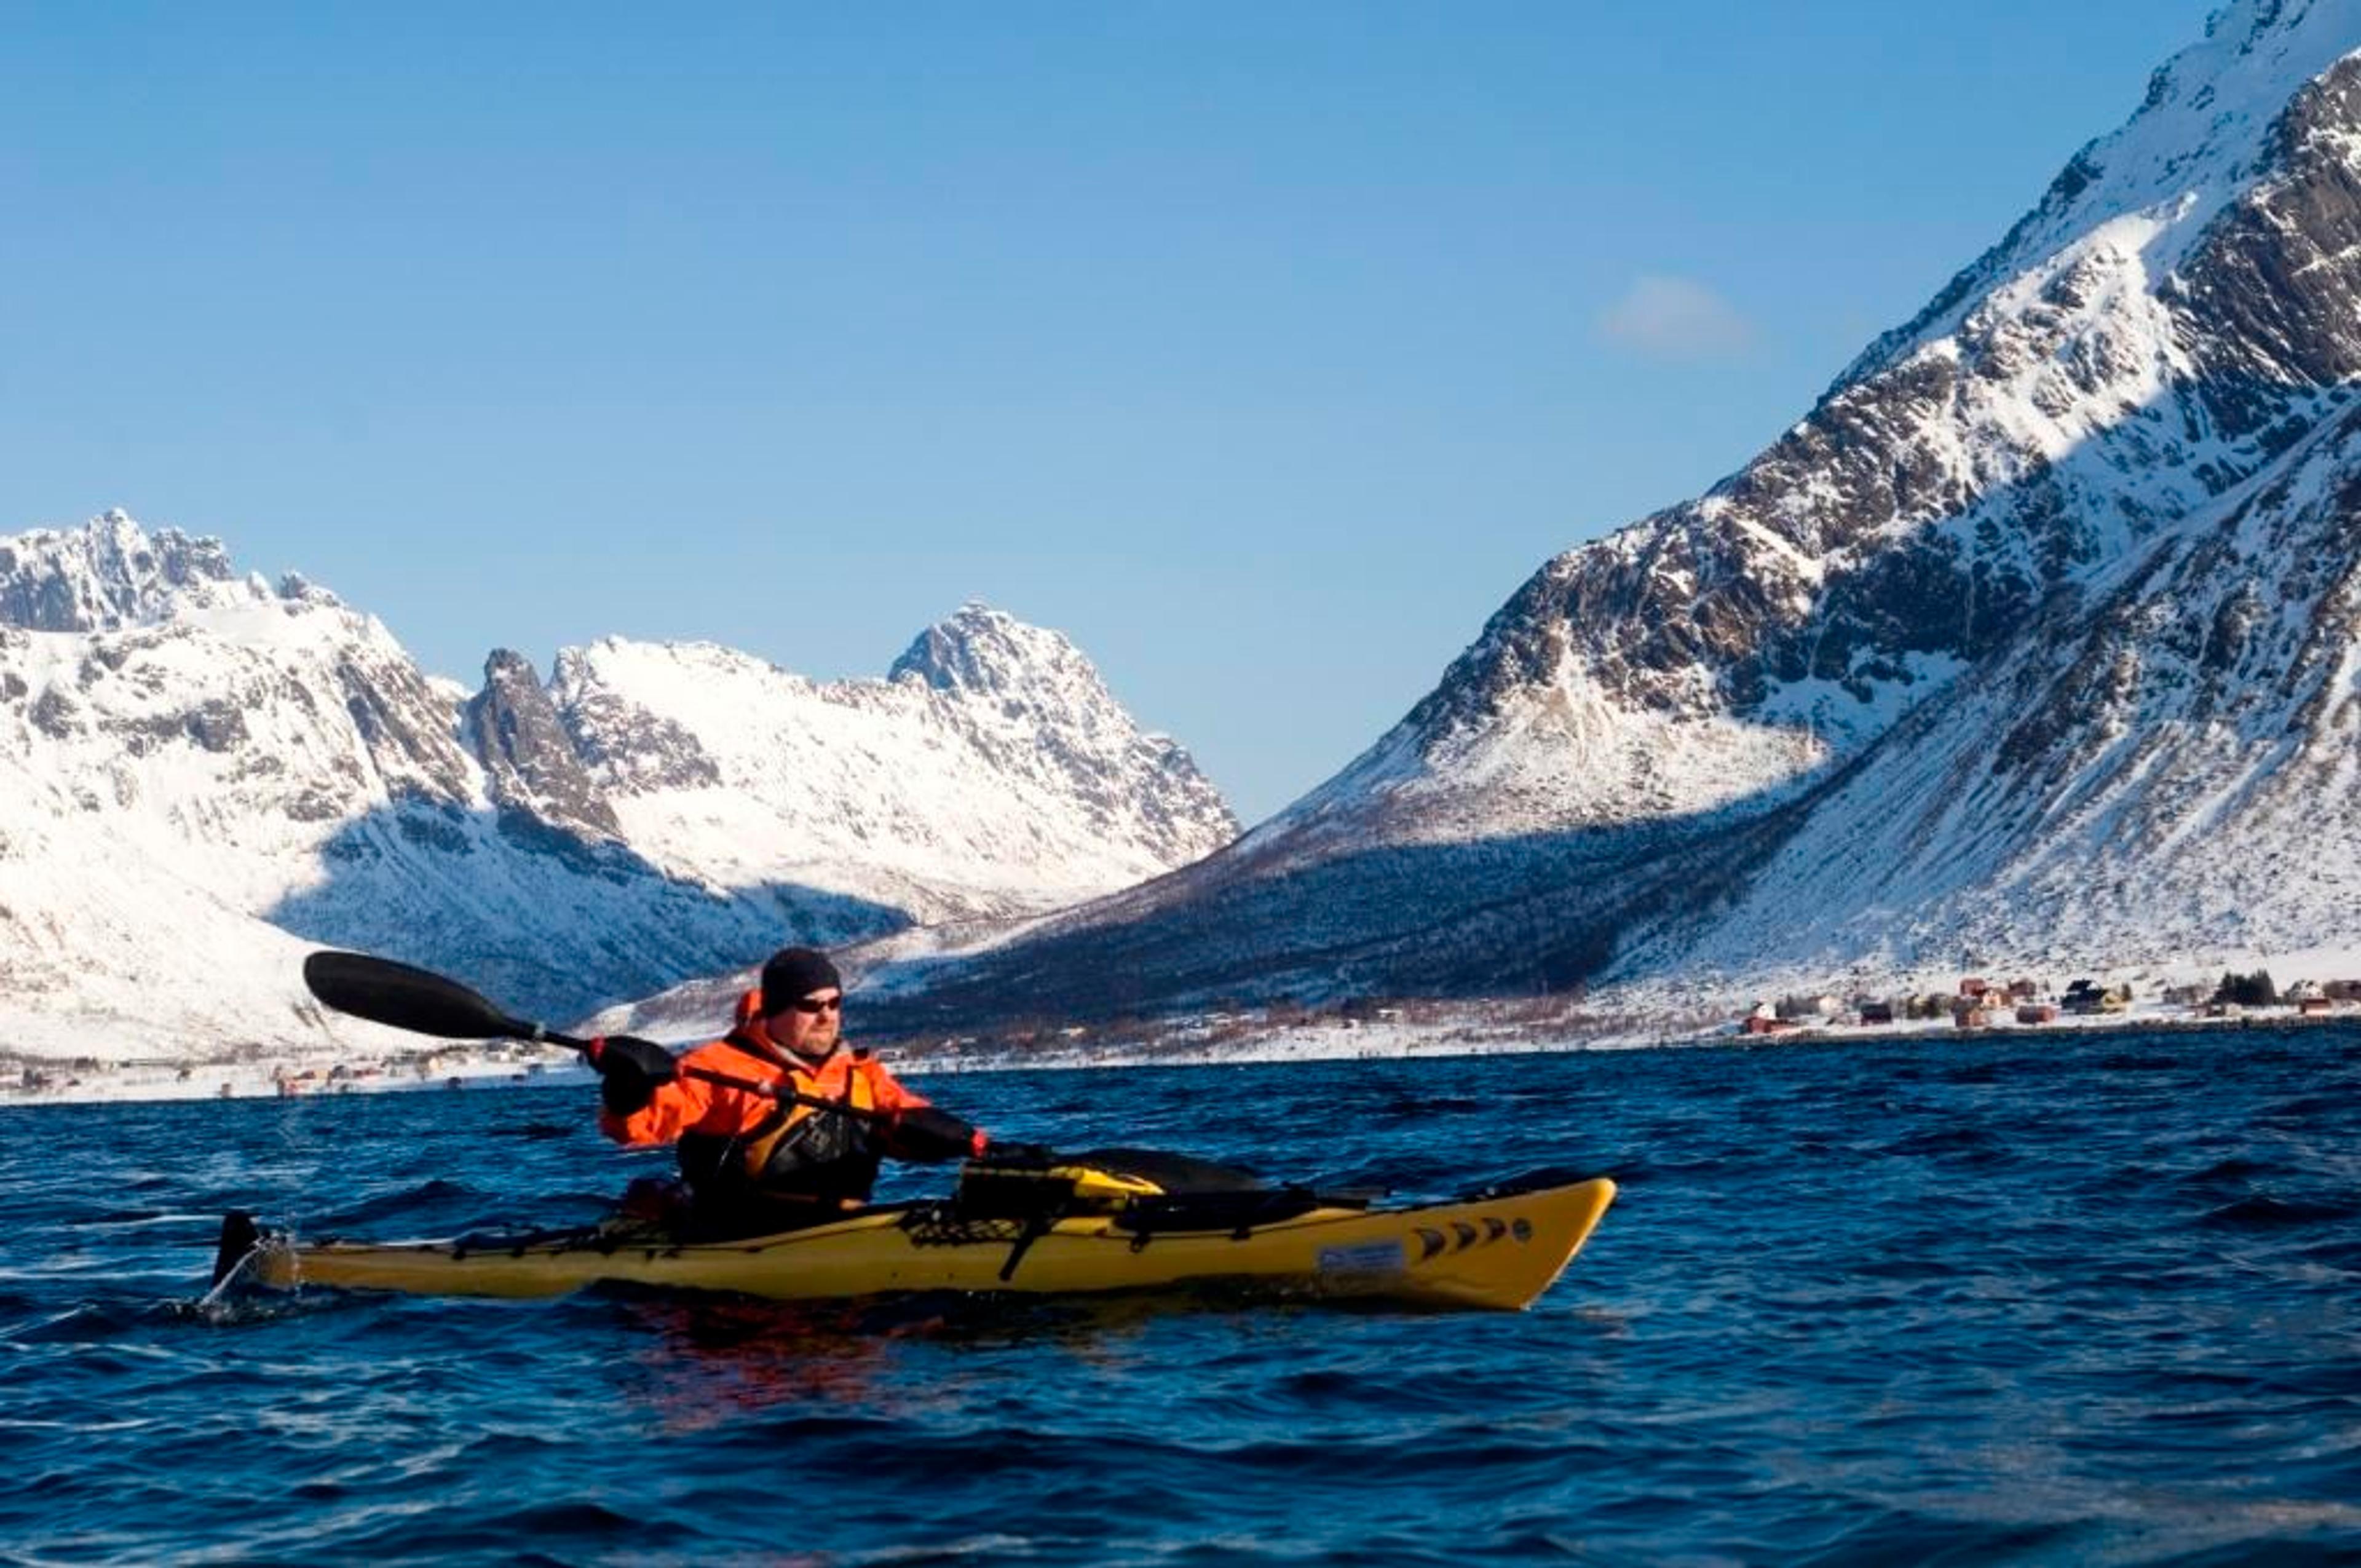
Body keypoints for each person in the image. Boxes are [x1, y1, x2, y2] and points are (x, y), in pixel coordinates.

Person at [588, 946, 995, 1236]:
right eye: (811, 1006)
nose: (826, 1017)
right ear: (775, 1010)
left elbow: (905, 1121)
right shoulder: (718, 1068)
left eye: (834, 1004)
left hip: (840, 1227)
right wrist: (627, 1089)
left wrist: (974, 1144)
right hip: (737, 1239)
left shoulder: (860, 1074)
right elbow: (634, 1128)